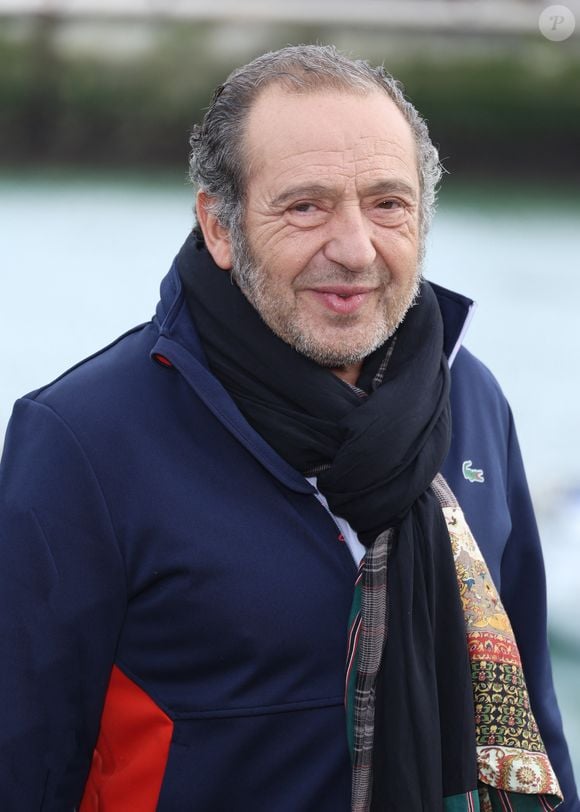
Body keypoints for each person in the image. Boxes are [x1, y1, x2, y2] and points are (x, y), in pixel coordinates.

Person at [0, 44, 577, 812]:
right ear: (219, 227)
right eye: (306, 206)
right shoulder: (83, 440)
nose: (354, 249)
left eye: (388, 204)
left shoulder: (468, 398)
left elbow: (534, 726)